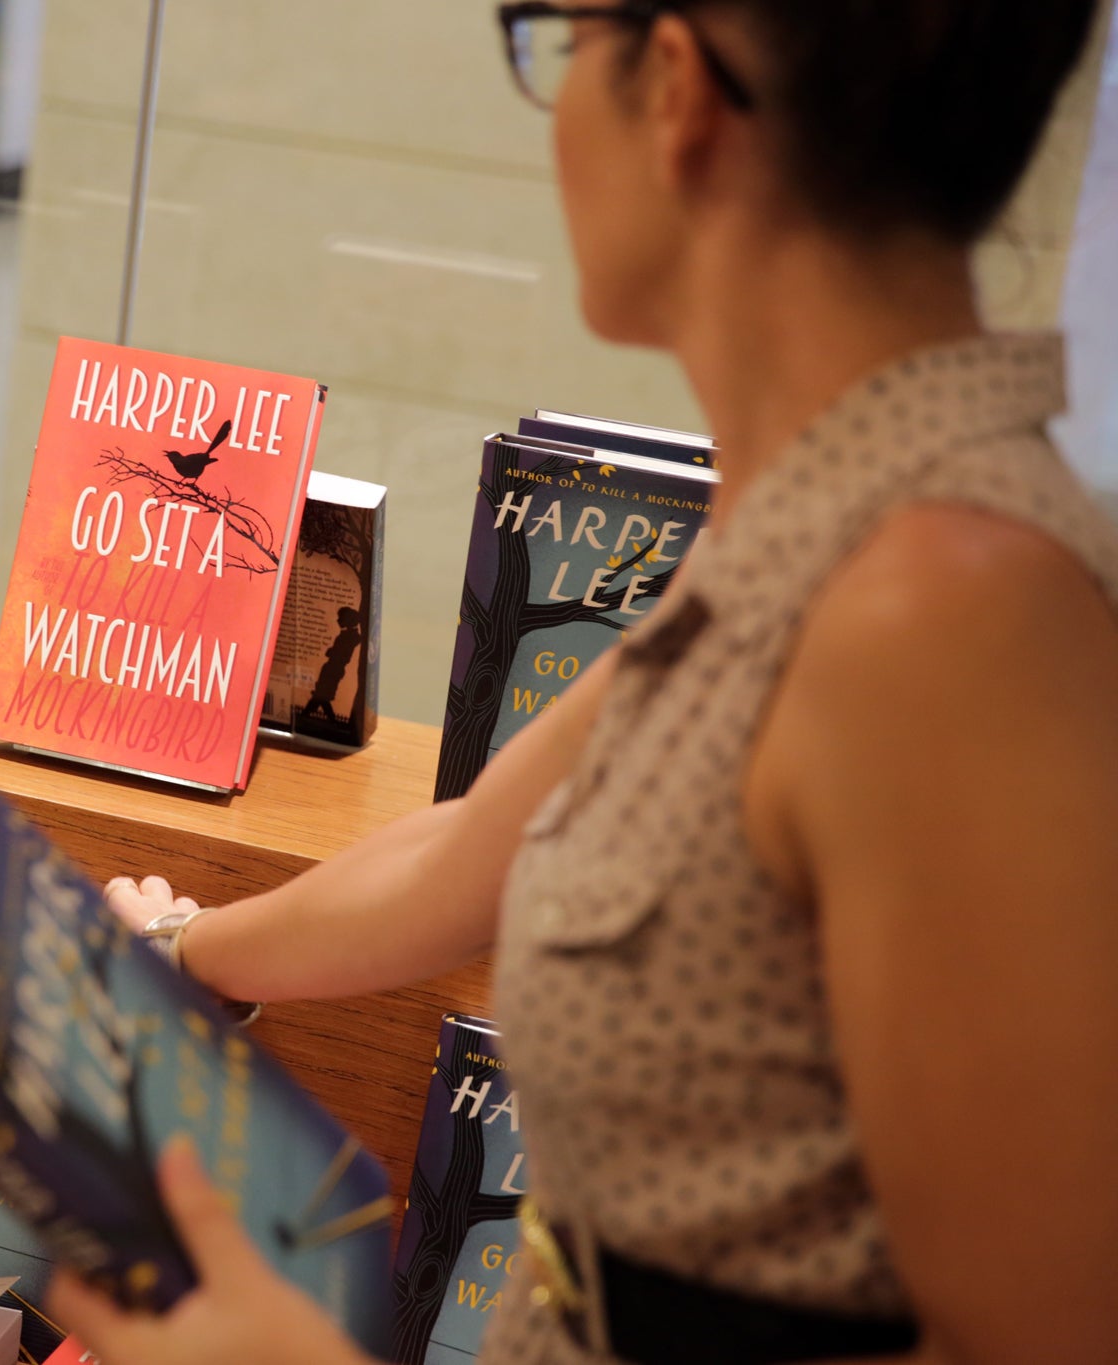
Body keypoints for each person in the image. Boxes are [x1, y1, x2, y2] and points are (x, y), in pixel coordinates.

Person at [61, 3, 1117, 1363]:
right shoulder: (812, 517)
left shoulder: (941, 611)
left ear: (672, 85)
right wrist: (178, 959)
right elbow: (479, 847)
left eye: (552, 42)